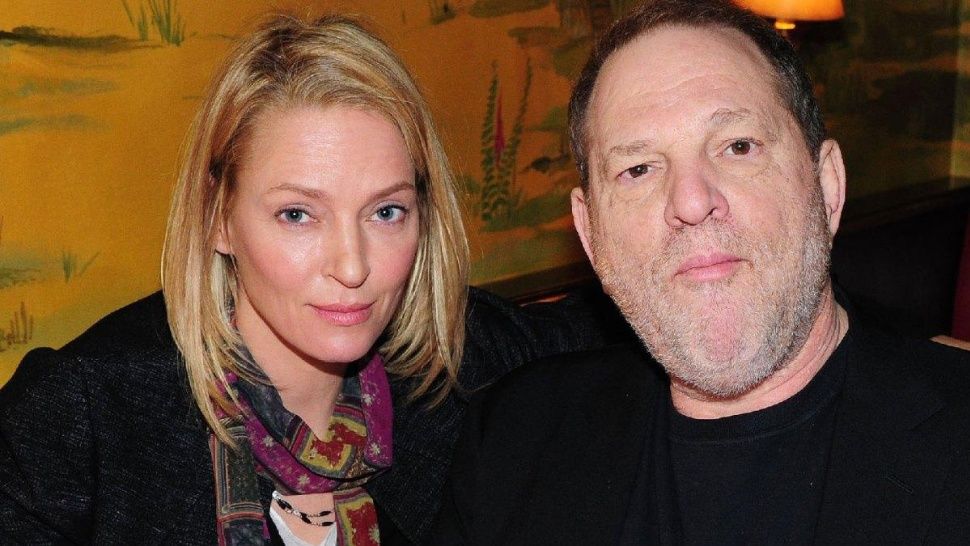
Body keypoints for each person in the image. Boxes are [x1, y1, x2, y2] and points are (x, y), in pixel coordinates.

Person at [0, 14, 603, 546]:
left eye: (386, 212)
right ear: (217, 218)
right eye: (297, 215)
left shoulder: (468, 366)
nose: (352, 266)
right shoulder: (79, 420)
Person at [432, 1, 970, 544]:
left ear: (827, 186)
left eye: (738, 146)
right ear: (590, 235)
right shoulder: (514, 440)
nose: (691, 202)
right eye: (638, 169)